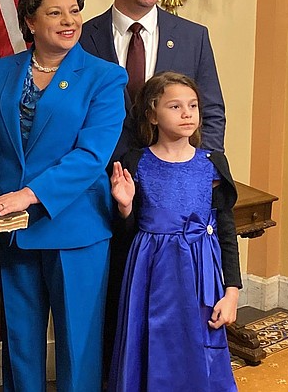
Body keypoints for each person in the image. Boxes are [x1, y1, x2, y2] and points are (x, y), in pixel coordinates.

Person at [0, 0, 127, 392]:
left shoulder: (105, 77)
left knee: (78, 343)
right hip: (13, 230)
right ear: (30, 21)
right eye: (55, 12)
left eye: (74, 10)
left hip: (75, 225)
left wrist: (28, 195)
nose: (69, 20)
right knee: (20, 343)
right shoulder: (1, 71)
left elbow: (91, 157)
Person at [78, 0, 227, 378]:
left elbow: (212, 111)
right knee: (113, 311)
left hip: (178, 203)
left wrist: (198, 172)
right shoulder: (83, 38)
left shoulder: (192, 35)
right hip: (106, 198)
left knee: (181, 317)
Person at [108, 72, 240, 391]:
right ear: (152, 114)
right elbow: (125, 234)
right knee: (151, 342)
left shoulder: (212, 163)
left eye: (193, 106)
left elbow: (226, 230)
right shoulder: (135, 162)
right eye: (175, 106)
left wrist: (232, 292)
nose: (186, 113)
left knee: (200, 341)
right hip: (150, 272)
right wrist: (125, 207)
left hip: (201, 273)